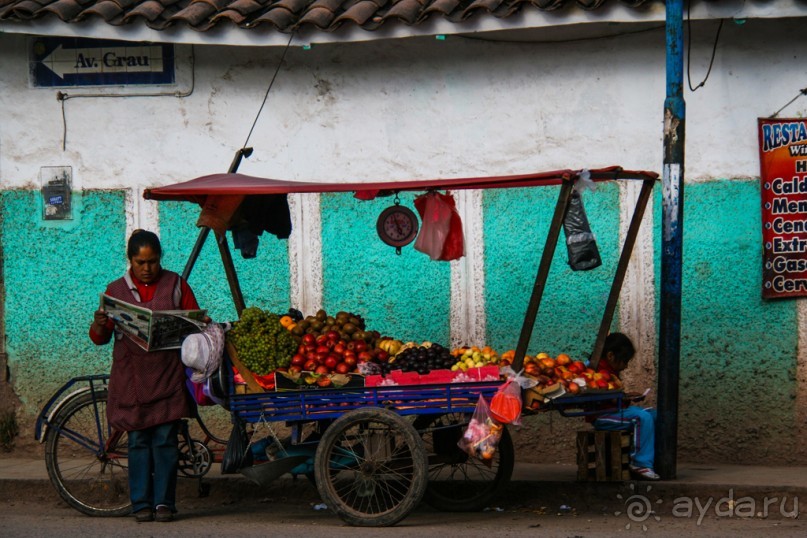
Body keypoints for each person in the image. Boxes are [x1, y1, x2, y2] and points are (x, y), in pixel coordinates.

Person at [90, 230, 204, 522]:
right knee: (138, 440)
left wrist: (196, 323)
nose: (147, 268)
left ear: (160, 259)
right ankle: (140, 503)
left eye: (152, 261)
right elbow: (99, 338)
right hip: (132, 380)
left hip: (168, 376)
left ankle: (164, 503)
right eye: (140, 262)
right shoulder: (115, 291)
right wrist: (100, 323)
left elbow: (195, 324)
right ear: (130, 260)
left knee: (166, 440)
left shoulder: (176, 285)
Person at [589, 332, 659, 481]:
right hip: (602, 416)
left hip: (616, 411)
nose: (625, 366)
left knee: (653, 414)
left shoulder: (609, 371)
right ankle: (640, 463)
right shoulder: (596, 370)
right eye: (624, 361)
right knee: (642, 418)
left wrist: (626, 396)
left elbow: (614, 395)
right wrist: (622, 397)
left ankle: (651, 461)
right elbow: (606, 396)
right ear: (610, 355)